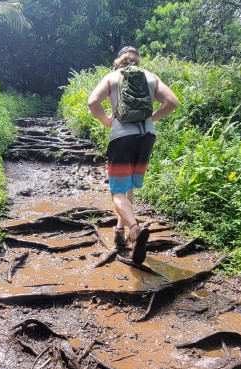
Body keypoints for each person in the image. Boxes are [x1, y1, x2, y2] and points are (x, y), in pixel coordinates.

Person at [87, 46, 179, 264]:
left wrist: (108, 121)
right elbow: (172, 102)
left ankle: (135, 230)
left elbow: (93, 102)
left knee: (117, 192)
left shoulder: (112, 77)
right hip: (146, 138)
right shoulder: (151, 77)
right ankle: (120, 230)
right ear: (137, 60)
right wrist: (151, 120)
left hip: (122, 138)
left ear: (119, 60)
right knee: (127, 187)